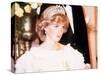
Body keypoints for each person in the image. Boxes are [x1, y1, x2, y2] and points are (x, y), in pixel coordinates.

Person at [15, 5, 89, 73]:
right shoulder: (31, 58)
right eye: (56, 26)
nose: (60, 31)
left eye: (62, 26)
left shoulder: (71, 53)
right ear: (45, 27)